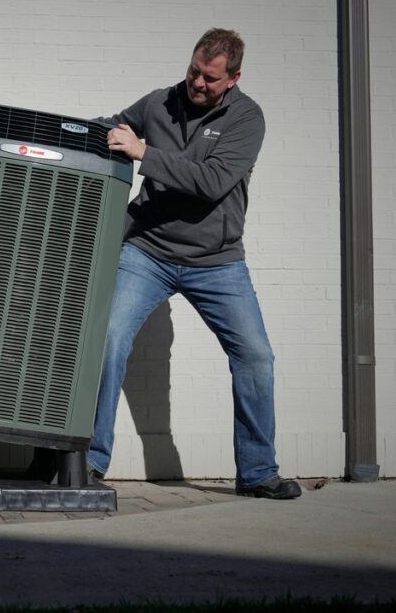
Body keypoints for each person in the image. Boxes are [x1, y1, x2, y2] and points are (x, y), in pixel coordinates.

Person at [90, 28, 301, 499]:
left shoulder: (247, 118)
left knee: (255, 357)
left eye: (209, 78)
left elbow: (211, 181)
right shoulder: (159, 102)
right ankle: (90, 461)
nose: (197, 84)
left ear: (233, 78)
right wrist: (62, 133)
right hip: (147, 251)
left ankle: (258, 473)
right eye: (193, 72)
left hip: (217, 262)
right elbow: (110, 130)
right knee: (107, 338)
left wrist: (144, 153)